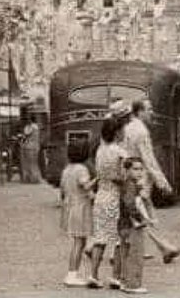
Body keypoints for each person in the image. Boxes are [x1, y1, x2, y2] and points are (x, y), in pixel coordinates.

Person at [122, 99, 179, 263]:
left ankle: (164, 247)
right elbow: (149, 159)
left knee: (139, 213)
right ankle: (164, 247)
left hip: (129, 175)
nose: (151, 112)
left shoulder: (127, 128)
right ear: (139, 112)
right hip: (139, 177)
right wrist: (162, 181)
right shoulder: (141, 132)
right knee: (142, 214)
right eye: (149, 109)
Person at [87, 110, 130, 288]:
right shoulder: (120, 153)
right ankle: (116, 276)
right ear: (117, 132)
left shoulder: (99, 151)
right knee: (120, 239)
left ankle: (94, 275)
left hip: (100, 197)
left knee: (100, 238)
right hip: (115, 197)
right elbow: (123, 177)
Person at [59, 140, 94, 287]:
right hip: (80, 208)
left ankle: (73, 273)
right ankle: (71, 274)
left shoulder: (66, 169)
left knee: (79, 241)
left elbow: (62, 190)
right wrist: (98, 179)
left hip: (69, 207)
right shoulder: (81, 169)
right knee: (79, 242)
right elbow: (86, 185)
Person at [116, 158, 152, 295]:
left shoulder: (126, 184)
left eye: (141, 169)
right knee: (135, 254)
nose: (139, 172)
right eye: (135, 169)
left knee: (125, 253)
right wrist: (139, 218)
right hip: (132, 225)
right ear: (127, 170)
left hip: (123, 224)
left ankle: (125, 281)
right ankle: (133, 284)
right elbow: (130, 204)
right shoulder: (131, 186)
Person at [20, 114, 42, 184]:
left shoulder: (31, 127)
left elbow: (26, 134)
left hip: (29, 147)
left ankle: (30, 178)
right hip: (35, 147)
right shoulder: (36, 127)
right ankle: (35, 178)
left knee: (28, 163)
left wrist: (21, 137)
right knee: (34, 163)